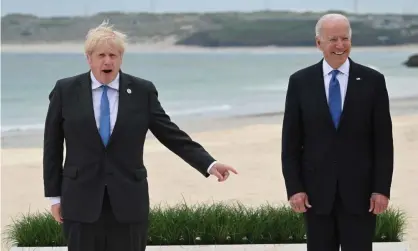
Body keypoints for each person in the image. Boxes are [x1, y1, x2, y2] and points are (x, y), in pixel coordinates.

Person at [43, 20, 238, 251]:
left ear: (121, 58)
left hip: (128, 201)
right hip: (80, 201)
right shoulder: (65, 91)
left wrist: (208, 162)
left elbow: (170, 134)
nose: (108, 61)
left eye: (113, 55)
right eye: (101, 55)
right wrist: (54, 197)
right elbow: (52, 146)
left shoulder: (141, 91)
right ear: (89, 58)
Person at [281, 13, 394, 251]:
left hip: (361, 195)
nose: (340, 45)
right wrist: (295, 188)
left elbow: (383, 143)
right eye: (333, 39)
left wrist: (381, 189)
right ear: (318, 43)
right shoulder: (300, 82)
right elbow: (290, 144)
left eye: (345, 39)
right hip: (315, 195)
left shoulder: (373, 81)